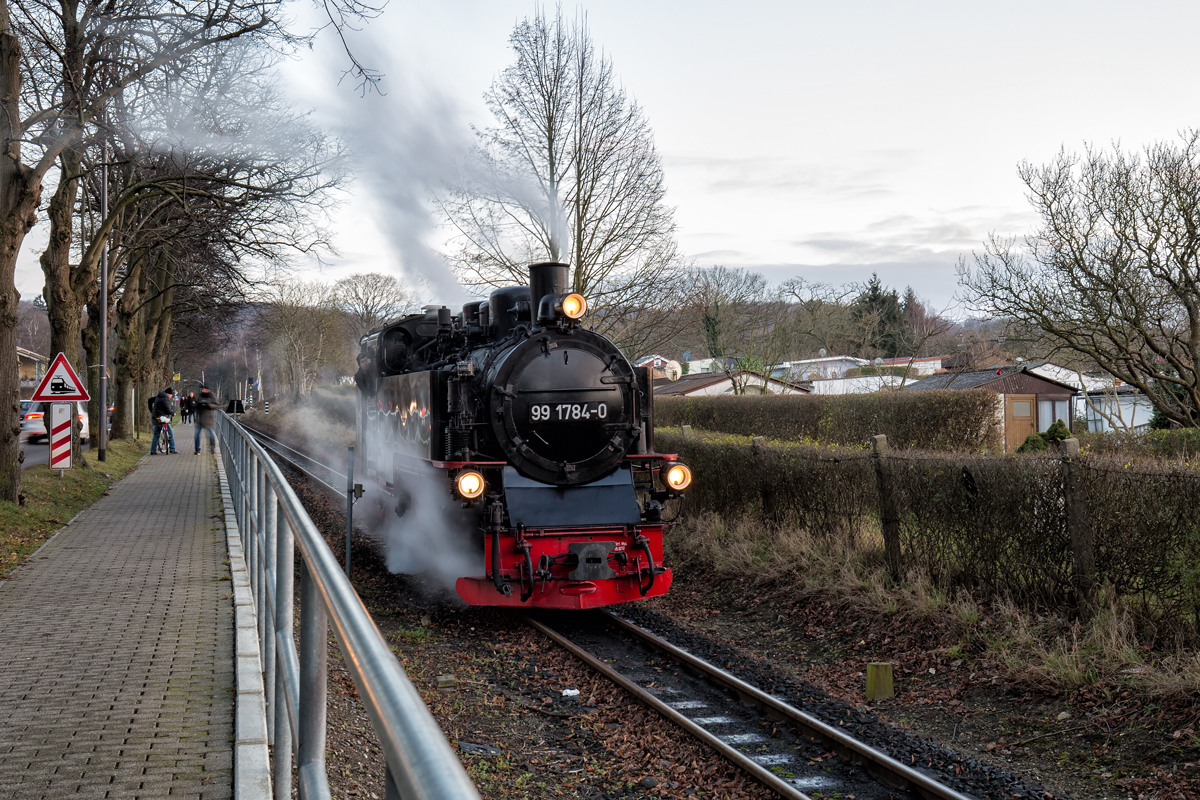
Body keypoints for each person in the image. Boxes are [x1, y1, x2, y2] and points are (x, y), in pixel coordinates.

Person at [149, 387, 177, 454]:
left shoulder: (158, 397)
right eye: (171, 395)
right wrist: (172, 412)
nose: (170, 397)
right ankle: (172, 449)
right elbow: (166, 408)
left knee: (156, 434)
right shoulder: (165, 398)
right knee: (170, 433)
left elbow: (149, 400)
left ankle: (153, 450)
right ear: (168, 394)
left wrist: (151, 410)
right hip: (162, 418)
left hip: (155, 417)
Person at [195, 386, 218, 454]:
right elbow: (196, 404)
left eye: (205, 390)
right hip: (200, 418)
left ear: (208, 390)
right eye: (202, 389)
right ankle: (197, 449)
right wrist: (198, 405)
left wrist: (208, 405)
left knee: (210, 434)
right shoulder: (199, 396)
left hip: (208, 418)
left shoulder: (211, 396)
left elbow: (216, 405)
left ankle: (212, 447)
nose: (203, 391)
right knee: (197, 435)